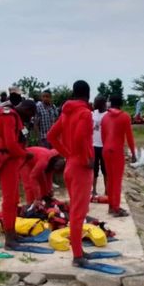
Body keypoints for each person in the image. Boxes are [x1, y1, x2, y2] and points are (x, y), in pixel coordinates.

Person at [47, 80, 94, 268]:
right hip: (81, 167)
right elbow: (80, 138)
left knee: (77, 211)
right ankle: (77, 256)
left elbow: (51, 136)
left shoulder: (67, 113)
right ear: (88, 94)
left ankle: (79, 249)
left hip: (70, 165)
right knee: (78, 213)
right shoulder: (84, 113)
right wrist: (86, 158)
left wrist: (67, 154)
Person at [0, 100, 37, 250]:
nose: (29, 119)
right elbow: (10, 144)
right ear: (26, 108)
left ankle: (12, 232)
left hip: (12, 160)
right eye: (30, 115)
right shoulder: (7, 116)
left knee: (14, 199)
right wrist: (25, 154)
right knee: (9, 199)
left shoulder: (13, 116)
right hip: (7, 161)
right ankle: (9, 238)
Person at [101, 94, 137, 217]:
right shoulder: (124, 117)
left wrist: (106, 148)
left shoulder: (105, 117)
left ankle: (111, 206)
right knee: (117, 181)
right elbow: (130, 137)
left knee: (110, 179)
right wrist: (133, 153)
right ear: (121, 104)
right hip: (116, 151)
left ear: (110, 103)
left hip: (106, 150)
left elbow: (103, 136)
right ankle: (116, 208)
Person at [92, 95, 108, 196]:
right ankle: (93, 190)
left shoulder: (107, 115)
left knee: (105, 169)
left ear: (102, 103)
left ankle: (107, 190)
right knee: (94, 169)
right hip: (94, 145)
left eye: (95, 102)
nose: (94, 103)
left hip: (104, 145)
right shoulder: (93, 113)